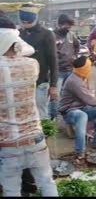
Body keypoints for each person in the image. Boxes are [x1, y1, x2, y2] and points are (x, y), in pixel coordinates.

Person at [0, 18, 58, 197]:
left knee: (11, 191)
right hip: (36, 139)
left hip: (9, 145)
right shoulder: (32, 65)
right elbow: (28, 51)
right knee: (47, 182)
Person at [59, 56, 96, 163]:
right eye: (89, 67)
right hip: (69, 111)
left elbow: (88, 97)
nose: (90, 70)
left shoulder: (81, 77)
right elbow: (89, 99)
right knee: (83, 116)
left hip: (82, 108)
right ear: (84, 69)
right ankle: (79, 151)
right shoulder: (74, 81)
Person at [19, 4, 58, 120]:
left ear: (35, 18)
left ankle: (45, 137)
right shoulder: (18, 33)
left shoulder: (47, 34)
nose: (26, 24)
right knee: (25, 114)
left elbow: (53, 61)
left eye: (28, 21)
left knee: (41, 115)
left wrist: (54, 85)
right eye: (23, 21)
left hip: (41, 82)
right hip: (23, 82)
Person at [49, 14, 80, 120]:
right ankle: (53, 117)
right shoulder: (51, 35)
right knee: (55, 95)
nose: (68, 28)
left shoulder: (71, 35)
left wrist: (75, 56)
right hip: (57, 71)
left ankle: (65, 115)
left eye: (70, 26)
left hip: (69, 70)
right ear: (60, 24)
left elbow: (77, 46)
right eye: (67, 26)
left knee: (68, 94)